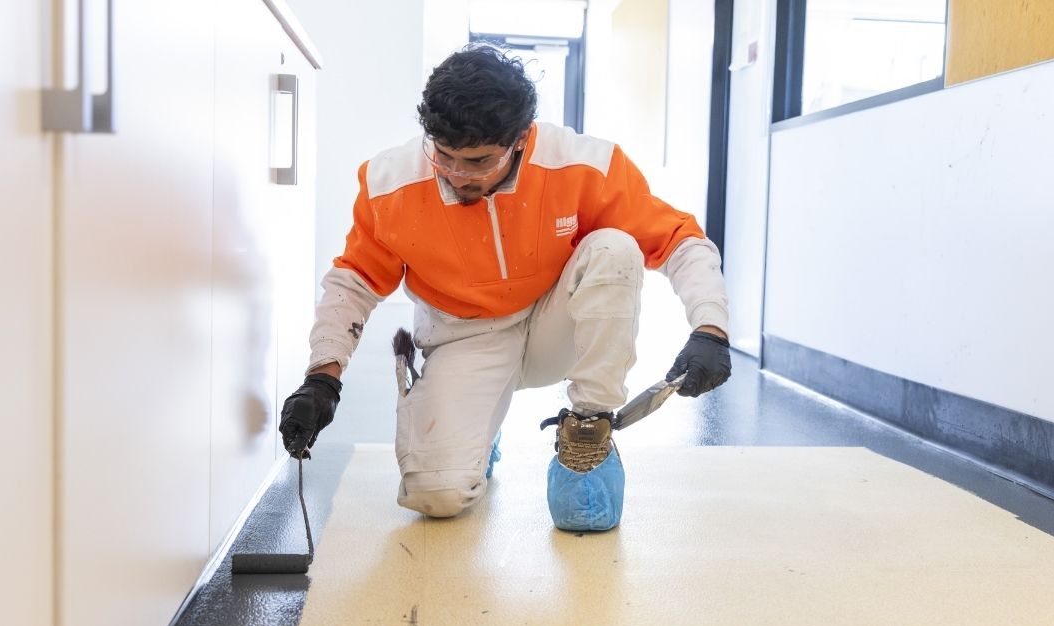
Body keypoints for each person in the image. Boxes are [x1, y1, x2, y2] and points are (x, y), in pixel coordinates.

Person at [278, 44, 731, 531]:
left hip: (555, 323)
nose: (455, 175)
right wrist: (322, 378)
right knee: (437, 496)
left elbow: (681, 240)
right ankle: (478, 430)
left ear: (520, 139)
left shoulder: (583, 165)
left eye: (477, 161)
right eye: (443, 155)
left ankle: (588, 431)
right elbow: (355, 281)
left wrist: (711, 328)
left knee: (615, 249)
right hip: (463, 336)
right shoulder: (390, 182)